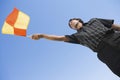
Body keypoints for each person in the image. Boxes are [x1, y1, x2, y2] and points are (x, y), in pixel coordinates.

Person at [29, 18, 120, 77]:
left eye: (72, 22)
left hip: (114, 37)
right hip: (105, 52)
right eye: (70, 25)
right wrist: (42, 36)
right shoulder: (77, 36)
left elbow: (113, 26)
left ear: (78, 20)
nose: (71, 24)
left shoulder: (94, 20)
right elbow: (61, 38)